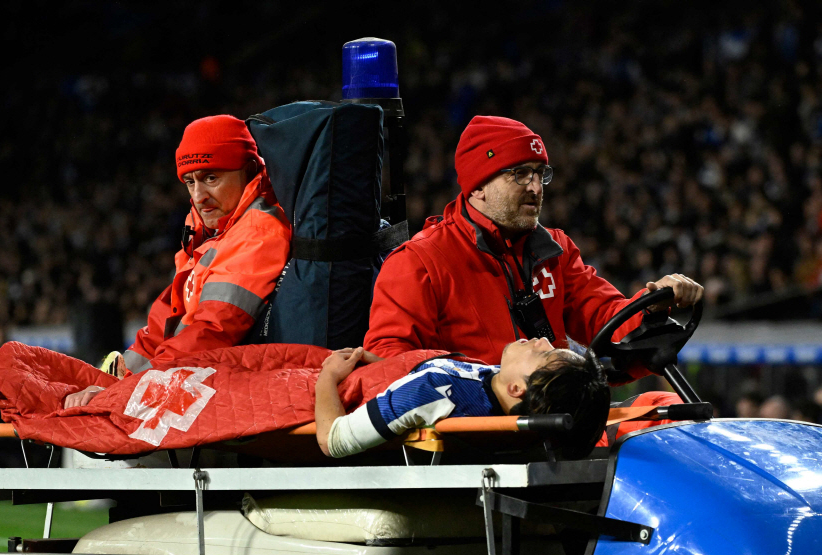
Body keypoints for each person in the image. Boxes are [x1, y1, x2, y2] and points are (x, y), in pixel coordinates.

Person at [363, 116, 702, 373]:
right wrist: (487, 385)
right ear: (478, 186)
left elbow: (603, 318)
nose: (536, 188)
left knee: (666, 413)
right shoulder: (420, 261)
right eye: (520, 174)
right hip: (477, 441)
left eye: (540, 174)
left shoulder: (555, 250)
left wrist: (651, 305)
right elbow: (389, 362)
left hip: (555, 423)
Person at [65, 115, 291, 408]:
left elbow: (212, 331)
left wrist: (124, 392)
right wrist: (111, 382)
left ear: (248, 170)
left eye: (211, 178)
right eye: (190, 181)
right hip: (187, 378)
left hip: (225, 397)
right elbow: (162, 326)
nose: (200, 196)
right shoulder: (206, 231)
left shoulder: (257, 231)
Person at [315, 338, 610, 460]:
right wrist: (388, 368)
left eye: (545, 354)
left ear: (517, 390)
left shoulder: (433, 390)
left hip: (322, 385)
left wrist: (327, 377)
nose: (543, 340)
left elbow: (333, 440)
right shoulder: (502, 400)